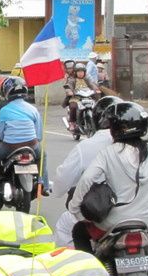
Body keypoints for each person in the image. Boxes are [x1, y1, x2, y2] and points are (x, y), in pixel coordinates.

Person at [68, 102, 148, 276]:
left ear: (113, 129)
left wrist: (75, 208)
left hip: (112, 223)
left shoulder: (108, 153)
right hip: (146, 221)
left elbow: (87, 179)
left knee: (79, 231)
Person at [52, 95, 122, 245]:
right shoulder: (143, 149)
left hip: (101, 214)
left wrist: (73, 204)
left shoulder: (87, 147)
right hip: (140, 215)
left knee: (67, 225)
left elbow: (63, 183)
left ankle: (81, 266)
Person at [0, 78, 48, 194]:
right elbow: (39, 135)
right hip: (32, 146)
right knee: (43, 156)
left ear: (6, 92)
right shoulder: (33, 109)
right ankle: (43, 184)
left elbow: (0, 135)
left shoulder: (4, 110)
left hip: (10, 147)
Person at [63, 62, 100, 132]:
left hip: (87, 97)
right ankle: (72, 123)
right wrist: (69, 91)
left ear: (84, 72)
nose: (80, 73)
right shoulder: (72, 79)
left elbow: (92, 84)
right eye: (79, 72)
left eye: (82, 72)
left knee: (96, 106)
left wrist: (96, 89)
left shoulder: (87, 78)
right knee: (73, 106)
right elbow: (68, 86)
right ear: (75, 72)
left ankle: (96, 121)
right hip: (76, 98)